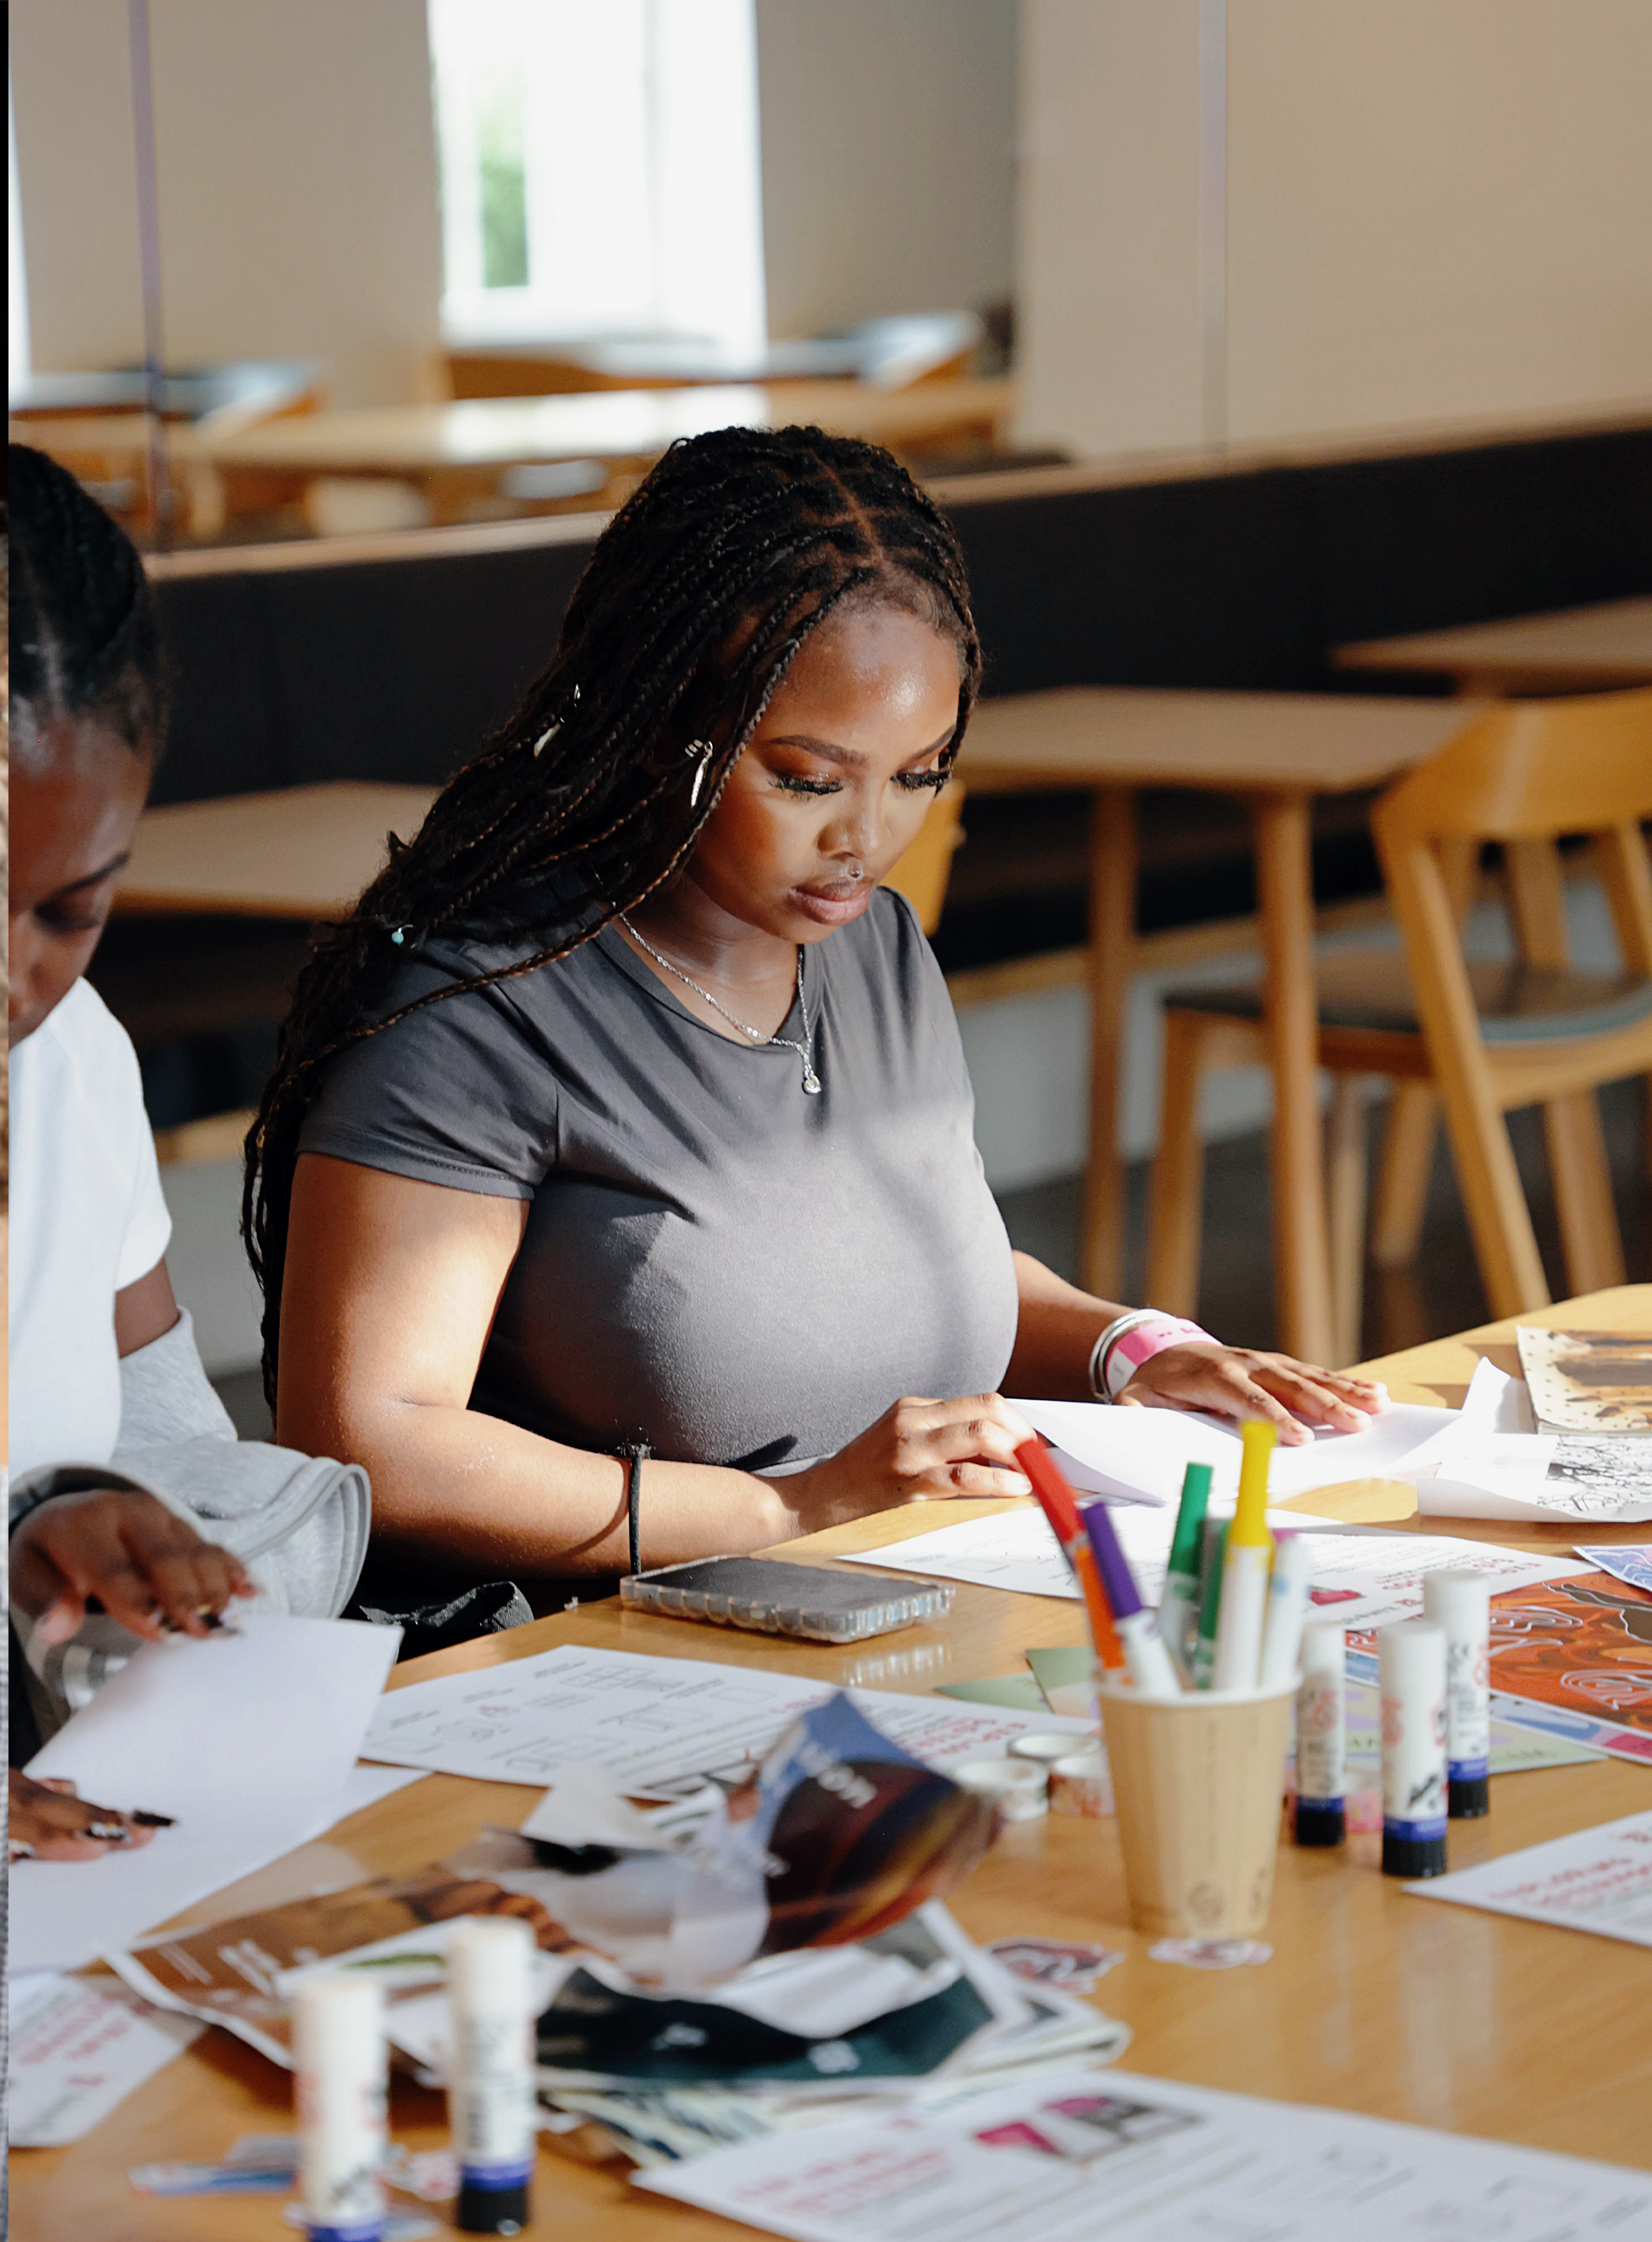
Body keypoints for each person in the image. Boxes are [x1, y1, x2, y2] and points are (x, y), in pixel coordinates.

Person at [250, 427, 1385, 1625]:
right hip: (611, 1671)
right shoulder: (479, 1012)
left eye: (919, 774)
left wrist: (1133, 1351)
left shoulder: (874, 947)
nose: (867, 838)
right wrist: (789, 1508)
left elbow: (905, 1270)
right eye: (807, 778)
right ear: (658, 721)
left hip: (910, 1613)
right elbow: (369, 1437)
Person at [6, 445, 368, 1856]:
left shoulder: (71, 1063)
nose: (11, 975)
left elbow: (155, 1431)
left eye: (67, 910)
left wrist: (86, 1508)